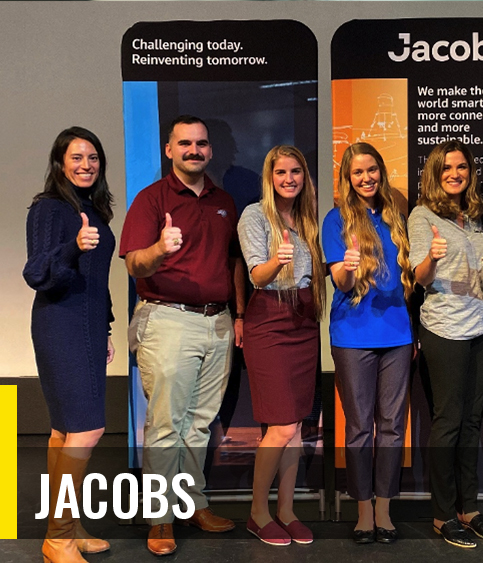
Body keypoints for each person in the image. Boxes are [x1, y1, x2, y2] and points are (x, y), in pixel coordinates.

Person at [119, 115, 246, 557]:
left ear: (210, 150)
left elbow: (233, 262)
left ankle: (192, 503)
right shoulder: (151, 199)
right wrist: (160, 248)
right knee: (166, 424)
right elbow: (134, 263)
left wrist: (239, 314)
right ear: (169, 150)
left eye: (201, 143)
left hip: (218, 321)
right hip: (167, 318)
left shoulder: (224, 201)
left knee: (200, 422)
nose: (194, 150)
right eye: (185, 143)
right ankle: (159, 516)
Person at [409, 140, 483, 549]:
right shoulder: (422, 216)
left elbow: (482, 279)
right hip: (444, 329)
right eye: (446, 168)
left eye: (461, 167)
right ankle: (442, 514)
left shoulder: (473, 220)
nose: (455, 174)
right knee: (448, 422)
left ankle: (468, 508)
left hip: (480, 327)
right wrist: (433, 258)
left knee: (472, 422)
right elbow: (420, 278)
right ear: (434, 173)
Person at [24, 127, 115, 563]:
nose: (86, 165)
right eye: (77, 157)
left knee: (64, 430)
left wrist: (107, 327)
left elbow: (97, 278)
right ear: (60, 163)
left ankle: (68, 526)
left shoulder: (93, 209)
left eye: (93, 157)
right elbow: (37, 272)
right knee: (87, 428)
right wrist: (73, 248)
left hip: (89, 325)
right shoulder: (49, 208)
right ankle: (57, 539)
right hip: (60, 323)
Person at [323, 143, 414, 545]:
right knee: (360, 426)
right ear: (347, 177)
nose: (366, 178)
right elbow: (341, 283)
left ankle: (384, 510)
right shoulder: (336, 219)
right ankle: (363, 511)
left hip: (398, 335)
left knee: (393, 426)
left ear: (381, 172)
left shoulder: (396, 215)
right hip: (353, 336)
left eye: (372, 170)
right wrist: (348, 266)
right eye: (358, 172)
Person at [238, 145, 326, 547]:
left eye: (295, 172)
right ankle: (258, 513)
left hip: (304, 320)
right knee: (281, 426)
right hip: (269, 319)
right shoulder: (255, 215)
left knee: (295, 428)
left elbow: (315, 272)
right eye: (281, 172)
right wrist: (278, 260)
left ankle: (286, 511)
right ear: (269, 178)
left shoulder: (308, 218)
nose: (289, 179)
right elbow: (257, 275)